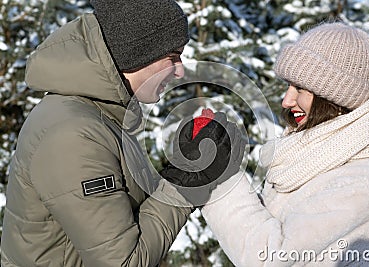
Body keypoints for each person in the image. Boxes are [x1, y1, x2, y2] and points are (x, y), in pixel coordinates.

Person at [0, 0, 244, 266]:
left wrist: (184, 167)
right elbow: (124, 261)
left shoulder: (98, 114)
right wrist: (189, 181)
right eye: (172, 57)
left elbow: (122, 214)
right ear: (136, 52)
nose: (180, 71)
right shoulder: (73, 135)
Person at [201, 22, 369, 266]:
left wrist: (220, 175)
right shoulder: (323, 160)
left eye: (300, 88)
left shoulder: (361, 184)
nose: (286, 100)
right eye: (288, 85)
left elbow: (272, 259)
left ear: (336, 96)